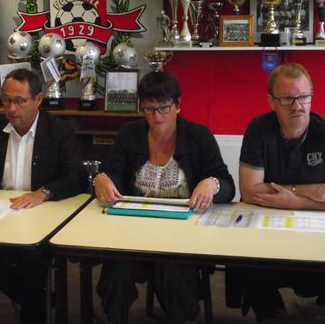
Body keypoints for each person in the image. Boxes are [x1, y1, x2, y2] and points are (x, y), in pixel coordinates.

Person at [93, 71, 235, 324]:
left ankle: (184, 316)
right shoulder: (129, 133)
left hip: (184, 231)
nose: (156, 117)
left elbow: (227, 186)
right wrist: (101, 179)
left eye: (163, 108)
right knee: (118, 262)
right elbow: (111, 173)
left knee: (171, 262)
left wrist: (212, 184)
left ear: (178, 105)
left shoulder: (198, 135)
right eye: (148, 109)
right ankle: (114, 316)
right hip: (134, 228)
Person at [229, 62, 325, 322]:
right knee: (249, 264)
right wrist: (311, 190)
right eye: (287, 99)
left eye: (304, 97)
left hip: (324, 234)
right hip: (270, 232)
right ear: (271, 101)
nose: (297, 106)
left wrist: (293, 201)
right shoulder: (259, 129)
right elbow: (250, 191)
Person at [0, 68, 86, 324]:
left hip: (40, 219)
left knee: (31, 260)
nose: (12, 109)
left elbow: (76, 177)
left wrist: (44, 193)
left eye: (20, 101)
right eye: (7, 100)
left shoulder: (59, 132)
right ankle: (40, 300)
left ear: (38, 99)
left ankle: (35, 307)